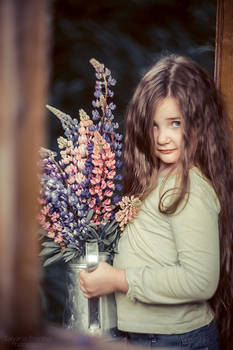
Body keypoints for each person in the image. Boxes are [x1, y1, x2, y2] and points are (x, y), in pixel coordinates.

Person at [79, 55, 233, 349]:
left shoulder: (190, 189)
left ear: (200, 122)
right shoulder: (159, 176)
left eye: (175, 123)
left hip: (174, 339)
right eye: (154, 125)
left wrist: (119, 280)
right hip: (150, 336)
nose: (162, 137)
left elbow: (200, 281)